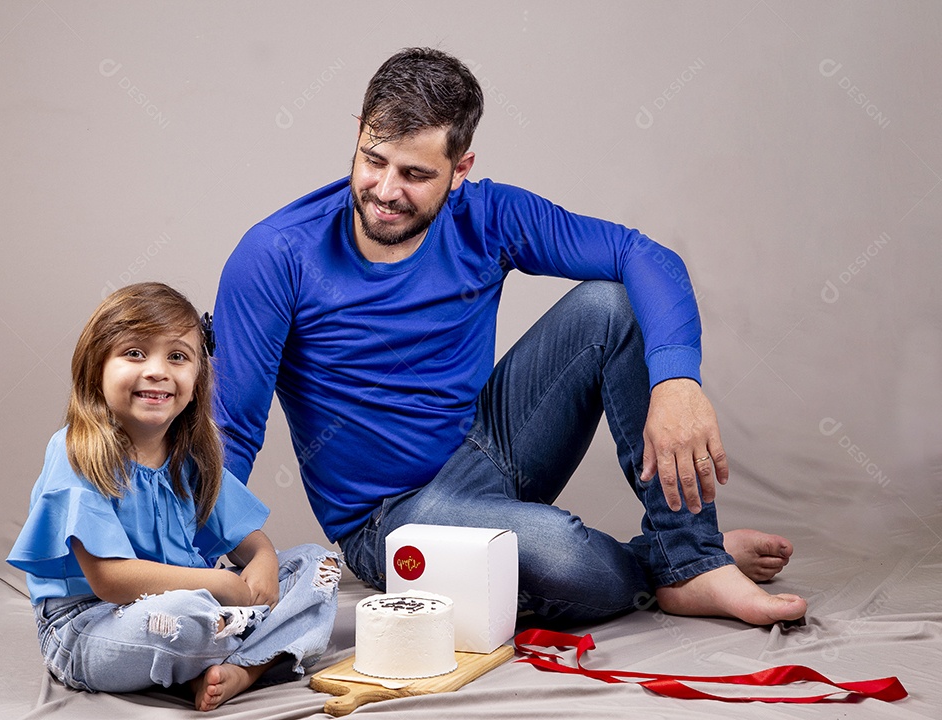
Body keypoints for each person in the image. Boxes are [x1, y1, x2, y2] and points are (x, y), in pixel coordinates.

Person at [213, 47, 806, 627]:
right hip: (390, 521)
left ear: (460, 170)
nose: (387, 190)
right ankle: (669, 566)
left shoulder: (487, 215)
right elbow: (232, 429)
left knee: (613, 302)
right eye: (373, 160)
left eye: (416, 174)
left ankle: (691, 553)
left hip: (491, 443)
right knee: (563, 554)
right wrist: (187, 566)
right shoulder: (275, 255)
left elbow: (642, 255)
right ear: (358, 139)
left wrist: (678, 381)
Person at [7, 282, 340, 712]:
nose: (158, 371)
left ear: (198, 376)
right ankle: (247, 647)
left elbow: (250, 540)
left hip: (201, 603)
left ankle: (240, 669)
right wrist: (220, 583)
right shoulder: (77, 450)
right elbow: (109, 580)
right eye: (134, 353)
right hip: (93, 624)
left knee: (320, 565)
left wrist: (264, 562)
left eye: (178, 356)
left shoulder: (191, 454)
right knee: (181, 619)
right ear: (96, 368)